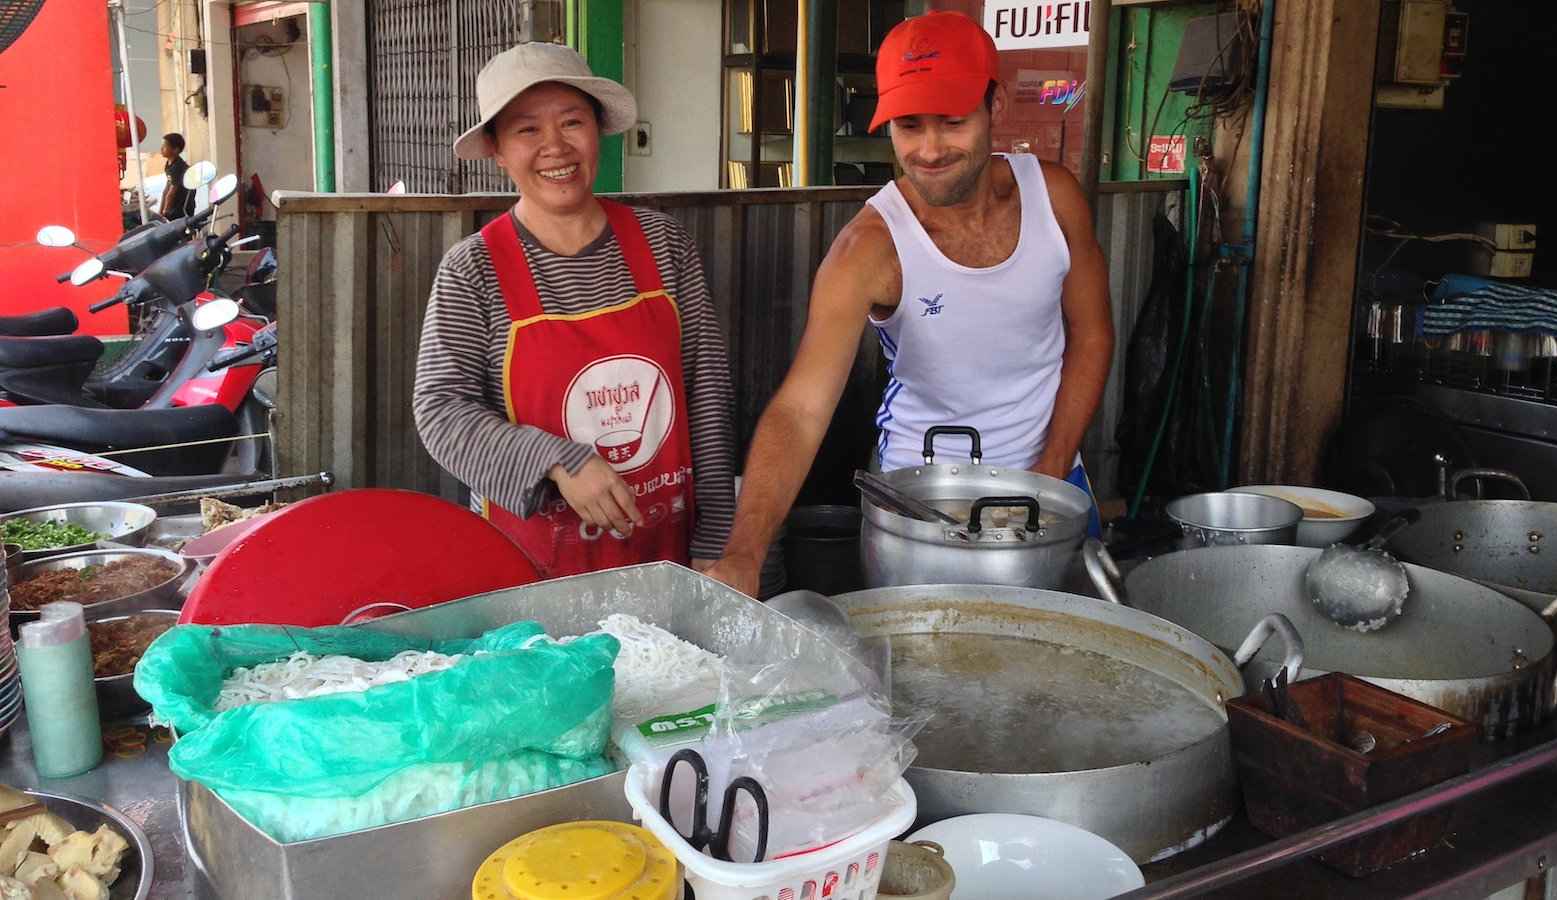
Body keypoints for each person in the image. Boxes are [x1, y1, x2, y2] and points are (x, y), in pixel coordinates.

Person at [706, 12, 1114, 596]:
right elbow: (800, 410)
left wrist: (1048, 475)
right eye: (908, 126)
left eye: (951, 123)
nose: (929, 150)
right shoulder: (868, 249)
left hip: (1052, 482)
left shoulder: (1055, 198)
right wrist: (744, 554)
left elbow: (1092, 333)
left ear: (994, 107)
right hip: (919, 503)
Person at [413, 42, 736, 579]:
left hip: (670, 557)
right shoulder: (473, 269)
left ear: (598, 129)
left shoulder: (663, 243)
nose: (555, 147)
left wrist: (719, 536)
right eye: (527, 130)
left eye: (571, 122)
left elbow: (707, 387)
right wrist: (558, 460)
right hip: (533, 573)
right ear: (497, 150)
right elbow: (441, 411)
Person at [158, 133, 195, 221]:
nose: (161, 149)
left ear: (176, 150)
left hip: (181, 210)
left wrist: (165, 211)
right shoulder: (169, 164)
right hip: (173, 207)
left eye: (165, 146)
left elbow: (171, 193)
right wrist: (160, 211)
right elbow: (167, 189)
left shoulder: (178, 167)